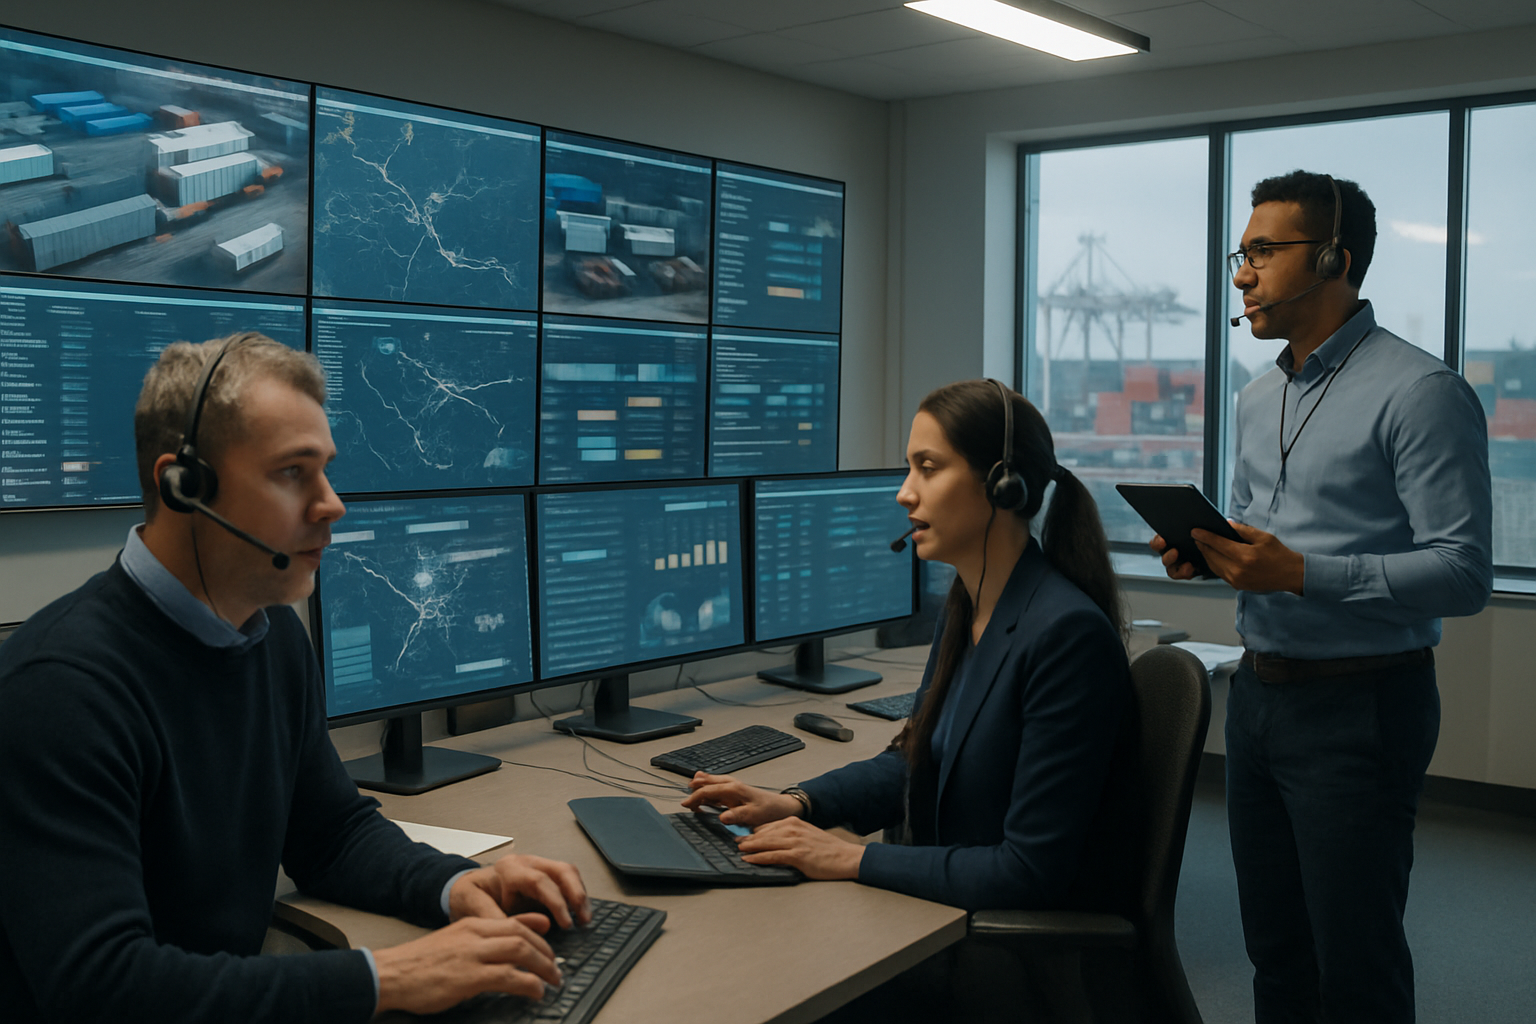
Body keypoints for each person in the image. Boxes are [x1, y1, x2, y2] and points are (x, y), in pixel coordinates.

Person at [0, 333, 591, 1024]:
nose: (331, 504)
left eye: (326, 471)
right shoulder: (59, 692)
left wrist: (458, 886)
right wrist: (383, 978)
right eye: (293, 473)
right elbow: (103, 989)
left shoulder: (270, 629)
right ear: (184, 485)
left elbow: (330, 833)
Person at [1153, 171, 1493, 1023]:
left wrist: (1300, 573)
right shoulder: (1257, 392)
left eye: (1263, 253)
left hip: (1363, 705)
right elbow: (1265, 534)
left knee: (1356, 963)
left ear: (1336, 258)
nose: (1241, 274)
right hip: (1258, 697)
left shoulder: (1422, 393)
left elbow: (1462, 572)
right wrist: (1211, 551)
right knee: (1275, 952)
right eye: (1244, 253)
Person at [684, 378, 1131, 913]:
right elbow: (917, 760)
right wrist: (796, 803)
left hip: (1009, 954)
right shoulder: (967, 608)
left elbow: (1029, 872)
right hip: (943, 910)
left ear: (1001, 485)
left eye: (929, 467)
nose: (905, 491)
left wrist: (851, 858)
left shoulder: (1066, 636)